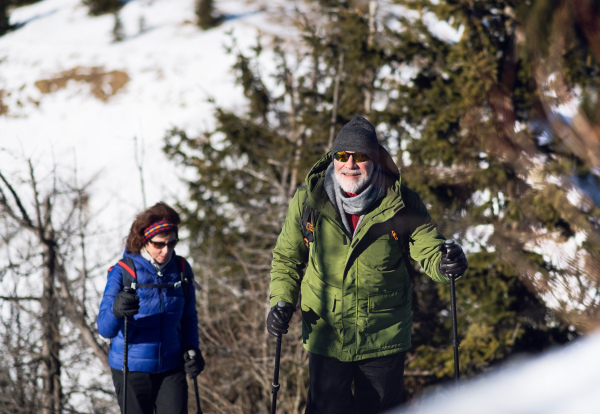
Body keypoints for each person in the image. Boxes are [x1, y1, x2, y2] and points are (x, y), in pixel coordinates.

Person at [266, 116, 468, 414]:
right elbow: (287, 258)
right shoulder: (309, 201)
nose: (350, 164)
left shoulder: (401, 203)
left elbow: (430, 249)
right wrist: (281, 301)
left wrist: (447, 262)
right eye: (342, 155)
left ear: (375, 161)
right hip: (326, 332)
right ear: (333, 158)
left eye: (360, 156)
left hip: (382, 335)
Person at [97, 202, 204, 414]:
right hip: (131, 368)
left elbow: (189, 317)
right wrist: (117, 309)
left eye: (172, 244)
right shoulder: (123, 271)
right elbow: (105, 329)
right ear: (144, 241)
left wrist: (193, 350)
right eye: (159, 244)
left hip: (171, 367)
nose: (166, 251)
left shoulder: (181, 269)